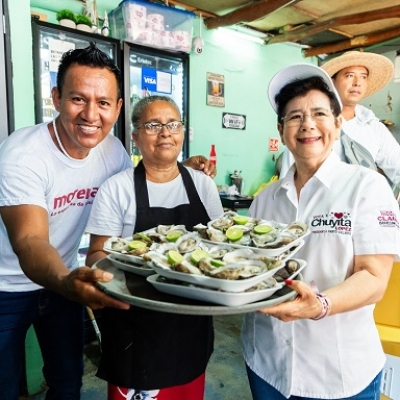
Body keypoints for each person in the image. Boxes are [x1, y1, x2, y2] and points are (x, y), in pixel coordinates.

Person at [0, 43, 215, 400]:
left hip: (62, 281)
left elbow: (138, 188)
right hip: (7, 287)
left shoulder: (112, 153)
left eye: (102, 103)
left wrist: (181, 171)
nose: (90, 114)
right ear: (56, 97)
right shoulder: (23, 156)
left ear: (116, 108)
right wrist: (67, 280)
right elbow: (30, 241)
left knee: (68, 382)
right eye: (77, 99)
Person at [241, 63, 400, 400]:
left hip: (338, 373)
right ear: (281, 128)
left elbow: (374, 279)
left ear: (338, 123)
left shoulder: (367, 187)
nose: (307, 124)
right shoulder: (265, 200)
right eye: (295, 116)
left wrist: (321, 305)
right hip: (266, 363)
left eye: (319, 113)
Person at [85, 95, 224, 400]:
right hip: (135, 327)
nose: (165, 132)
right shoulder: (117, 188)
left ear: (182, 132)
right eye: (153, 125)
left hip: (192, 323)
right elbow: (97, 253)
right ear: (135, 137)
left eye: (173, 124)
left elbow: (219, 243)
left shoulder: (203, 185)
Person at [278, 51, 400, 189]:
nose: (357, 83)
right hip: (317, 204)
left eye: (363, 77)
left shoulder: (373, 127)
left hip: (362, 204)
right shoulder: (310, 125)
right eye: (349, 75)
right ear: (332, 81)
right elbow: (288, 179)